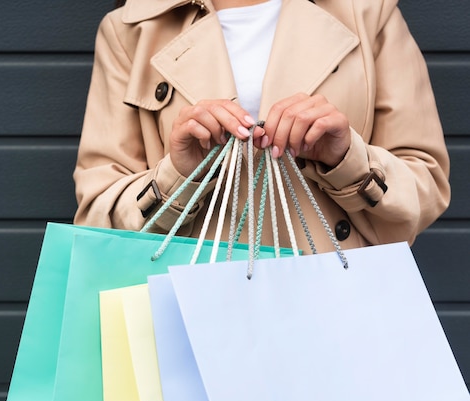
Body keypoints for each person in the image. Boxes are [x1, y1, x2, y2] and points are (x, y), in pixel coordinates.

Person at [73, 0, 450, 254]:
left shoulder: (369, 13)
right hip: (189, 307)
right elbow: (96, 214)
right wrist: (179, 176)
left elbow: (427, 186)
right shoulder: (132, 29)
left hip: (337, 302)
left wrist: (345, 158)